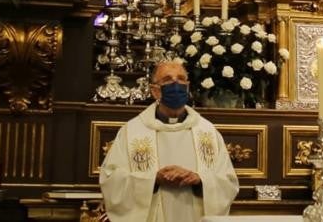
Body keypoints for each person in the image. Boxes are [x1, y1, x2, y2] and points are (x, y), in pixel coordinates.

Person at [100, 60, 238, 221]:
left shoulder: (207, 131)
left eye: (181, 79)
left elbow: (228, 182)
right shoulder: (132, 131)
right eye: (167, 80)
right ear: (155, 91)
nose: (176, 84)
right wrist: (153, 180)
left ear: (187, 87)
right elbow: (111, 181)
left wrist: (200, 180)